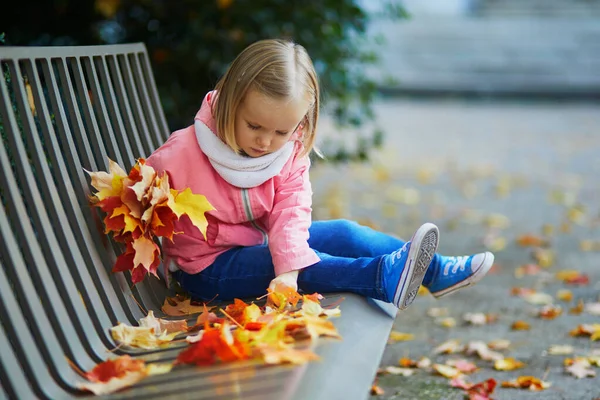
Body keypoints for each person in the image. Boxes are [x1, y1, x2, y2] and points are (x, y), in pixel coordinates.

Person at [146, 38, 494, 310]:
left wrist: (287, 269)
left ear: (301, 122)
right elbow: (138, 196)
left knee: (343, 233)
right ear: (231, 102)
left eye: (282, 131)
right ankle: (383, 276)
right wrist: (288, 272)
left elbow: (290, 214)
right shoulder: (182, 154)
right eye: (254, 125)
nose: (266, 141)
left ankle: (436, 271)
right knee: (305, 264)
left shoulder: (288, 151)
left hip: (263, 245)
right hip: (207, 271)